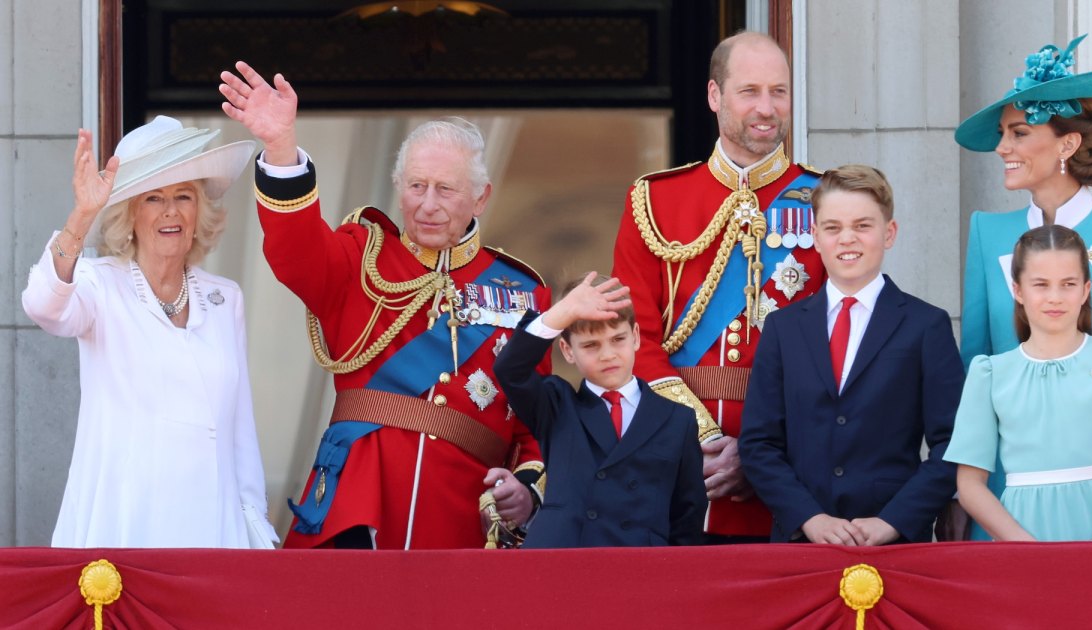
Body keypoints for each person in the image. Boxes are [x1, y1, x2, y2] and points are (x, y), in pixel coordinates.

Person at [219, 61, 549, 550]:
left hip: (459, 524)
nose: (427, 204)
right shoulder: (361, 255)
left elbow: (536, 423)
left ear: (480, 198)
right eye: (416, 186)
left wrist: (526, 489)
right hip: (355, 510)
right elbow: (297, 253)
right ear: (399, 187)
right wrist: (281, 149)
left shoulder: (523, 293)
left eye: (446, 189)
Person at [612, 31, 827, 542]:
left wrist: (757, 453)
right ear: (714, 96)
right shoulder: (655, 200)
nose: (767, 108)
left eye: (779, 91)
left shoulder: (827, 201)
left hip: (791, 472)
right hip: (677, 461)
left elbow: (842, 345)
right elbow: (631, 338)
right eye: (749, 91)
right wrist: (701, 438)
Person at [21, 116, 275, 548]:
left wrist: (254, 531)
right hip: (126, 526)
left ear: (199, 211)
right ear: (131, 214)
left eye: (183, 196)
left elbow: (240, 430)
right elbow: (43, 306)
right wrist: (82, 217)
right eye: (154, 198)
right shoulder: (99, 285)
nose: (171, 211)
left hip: (214, 530)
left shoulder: (223, 298)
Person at [955, 34, 1092, 540]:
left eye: (1019, 133)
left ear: (1066, 144)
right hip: (1003, 501)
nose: (1003, 148)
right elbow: (973, 363)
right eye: (1004, 134)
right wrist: (963, 496)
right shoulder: (986, 230)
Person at [739, 165, 963, 545]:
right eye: (832, 227)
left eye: (862, 226)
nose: (847, 239)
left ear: (888, 233)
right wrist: (809, 518)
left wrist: (893, 520)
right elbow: (759, 444)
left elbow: (954, 443)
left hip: (893, 542)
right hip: (801, 542)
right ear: (815, 236)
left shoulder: (926, 326)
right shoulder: (783, 328)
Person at [946, 225, 1092, 541]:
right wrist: (1026, 547)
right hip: (1020, 540)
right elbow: (968, 484)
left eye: (1068, 284)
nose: (1055, 297)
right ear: (1018, 290)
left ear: (1086, 289)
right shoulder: (990, 374)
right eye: (1041, 285)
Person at [493, 273, 706, 548]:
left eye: (618, 339)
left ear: (636, 337)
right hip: (561, 562)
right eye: (591, 345)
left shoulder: (678, 419)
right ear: (568, 351)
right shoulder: (556, 405)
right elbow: (510, 370)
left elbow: (686, 516)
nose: (608, 354)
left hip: (641, 569)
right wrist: (563, 312)